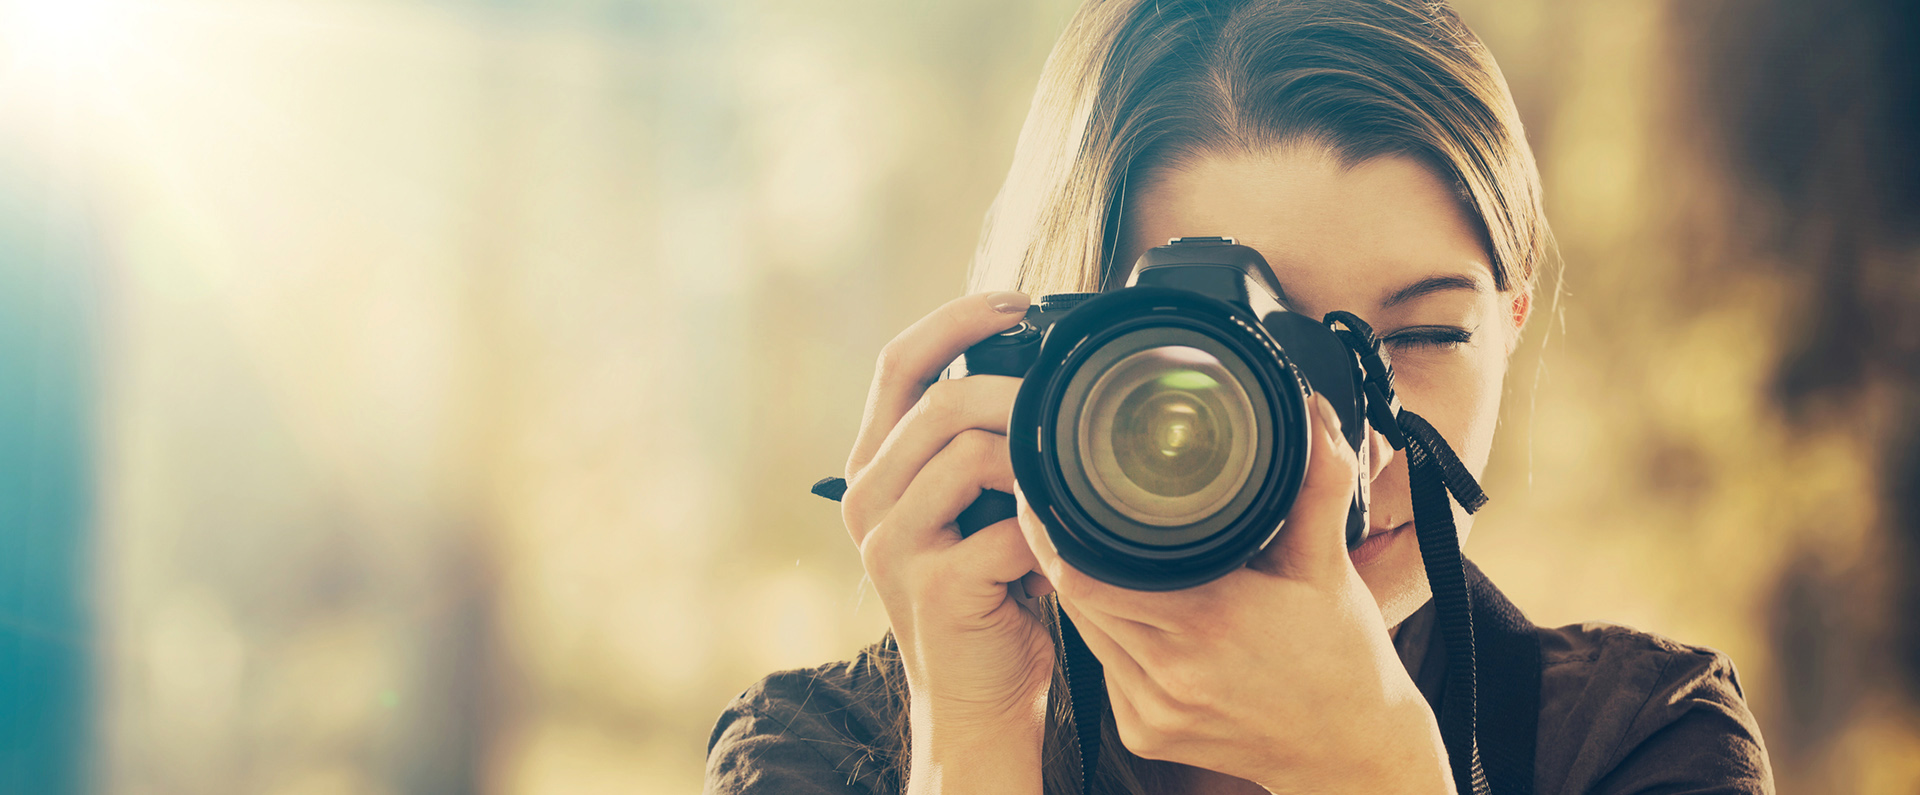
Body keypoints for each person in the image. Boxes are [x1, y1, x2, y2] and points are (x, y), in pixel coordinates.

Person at [705, 0, 1773, 792]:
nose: (1340, 459)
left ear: (1512, 322)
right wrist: (976, 734)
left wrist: (1377, 770)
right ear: (1058, 367)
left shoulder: (1641, 742)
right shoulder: (814, 753)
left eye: (1422, 336)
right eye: (1241, 355)